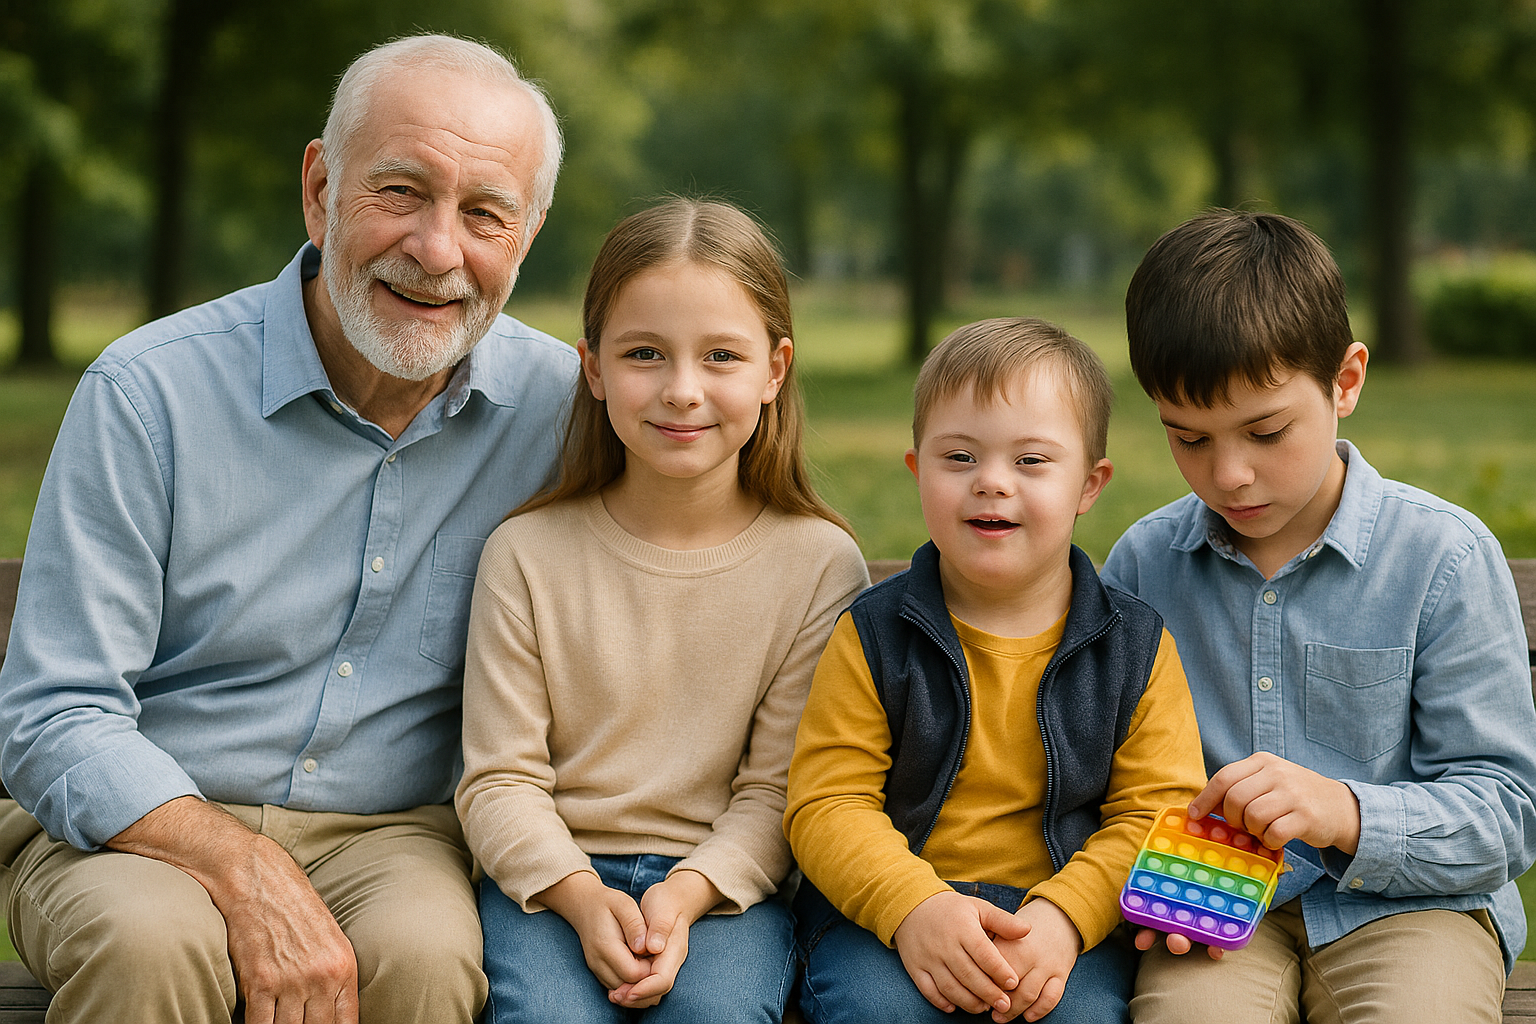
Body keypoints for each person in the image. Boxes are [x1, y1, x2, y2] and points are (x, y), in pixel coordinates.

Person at [0, 34, 578, 1024]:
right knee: (151, 946)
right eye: (399, 192)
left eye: (485, 213)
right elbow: (57, 716)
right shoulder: (150, 393)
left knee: (427, 954)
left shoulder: (566, 411)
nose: (438, 250)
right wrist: (239, 864)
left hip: (396, 834)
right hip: (139, 823)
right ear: (320, 187)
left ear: (527, 234)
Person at [1102, 210, 1536, 1024]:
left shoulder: (1440, 558)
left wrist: (1347, 812)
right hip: (1215, 913)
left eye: (1266, 432)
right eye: (1188, 438)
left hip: (1414, 909)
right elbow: (1104, 772)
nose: (1229, 474)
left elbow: (1509, 809)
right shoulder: (1143, 564)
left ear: (1346, 381)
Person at [455, 198, 870, 1024]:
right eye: (645, 354)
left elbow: (779, 791)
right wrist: (576, 893)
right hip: (549, 879)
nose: (683, 391)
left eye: (721, 356)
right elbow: (499, 778)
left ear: (775, 370)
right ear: (595, 367)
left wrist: (685, 896)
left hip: (723, 890)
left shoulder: (819, 565)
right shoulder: (527, 555)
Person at [785, 318, 1208, 1024]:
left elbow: (1157, 813)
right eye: (959, 458)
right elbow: (828, 803)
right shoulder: (874, 634)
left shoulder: (1132, 645)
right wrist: (914, 906)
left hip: (1062, 918)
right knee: (880, 1011)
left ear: (1089, 485)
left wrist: (1067, 917)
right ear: (919, 471)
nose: (991, 483)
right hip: (893, 914)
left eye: (1032, 462)